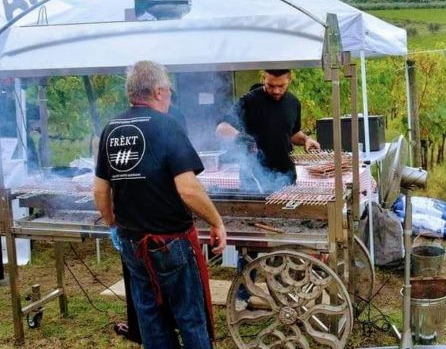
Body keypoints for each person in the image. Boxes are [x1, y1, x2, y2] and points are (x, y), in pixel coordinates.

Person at [94, 60, 226, 349]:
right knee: (190, 316)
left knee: (150, 316)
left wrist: (113, 223)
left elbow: (100, 190)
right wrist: (216, 222)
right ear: (157, 91)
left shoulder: (111, 129)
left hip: (132, 243)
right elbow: (188, 189)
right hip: (171, 242)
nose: (169, 95)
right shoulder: (167, 126)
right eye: (168, 90)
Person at [216, 70, 320, 311]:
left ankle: (286, 291)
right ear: (263, 77)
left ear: (290, 79)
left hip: (285, 177)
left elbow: (291, 132)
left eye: (281, 86)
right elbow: (221, 127)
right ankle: (243, 292)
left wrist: (305, 140)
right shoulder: (249, 101)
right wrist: (240, 136)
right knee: (251, 242)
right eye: (271, 85)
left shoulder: (293, 102)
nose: (276, 90)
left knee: (286, 237)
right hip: (254, 179)